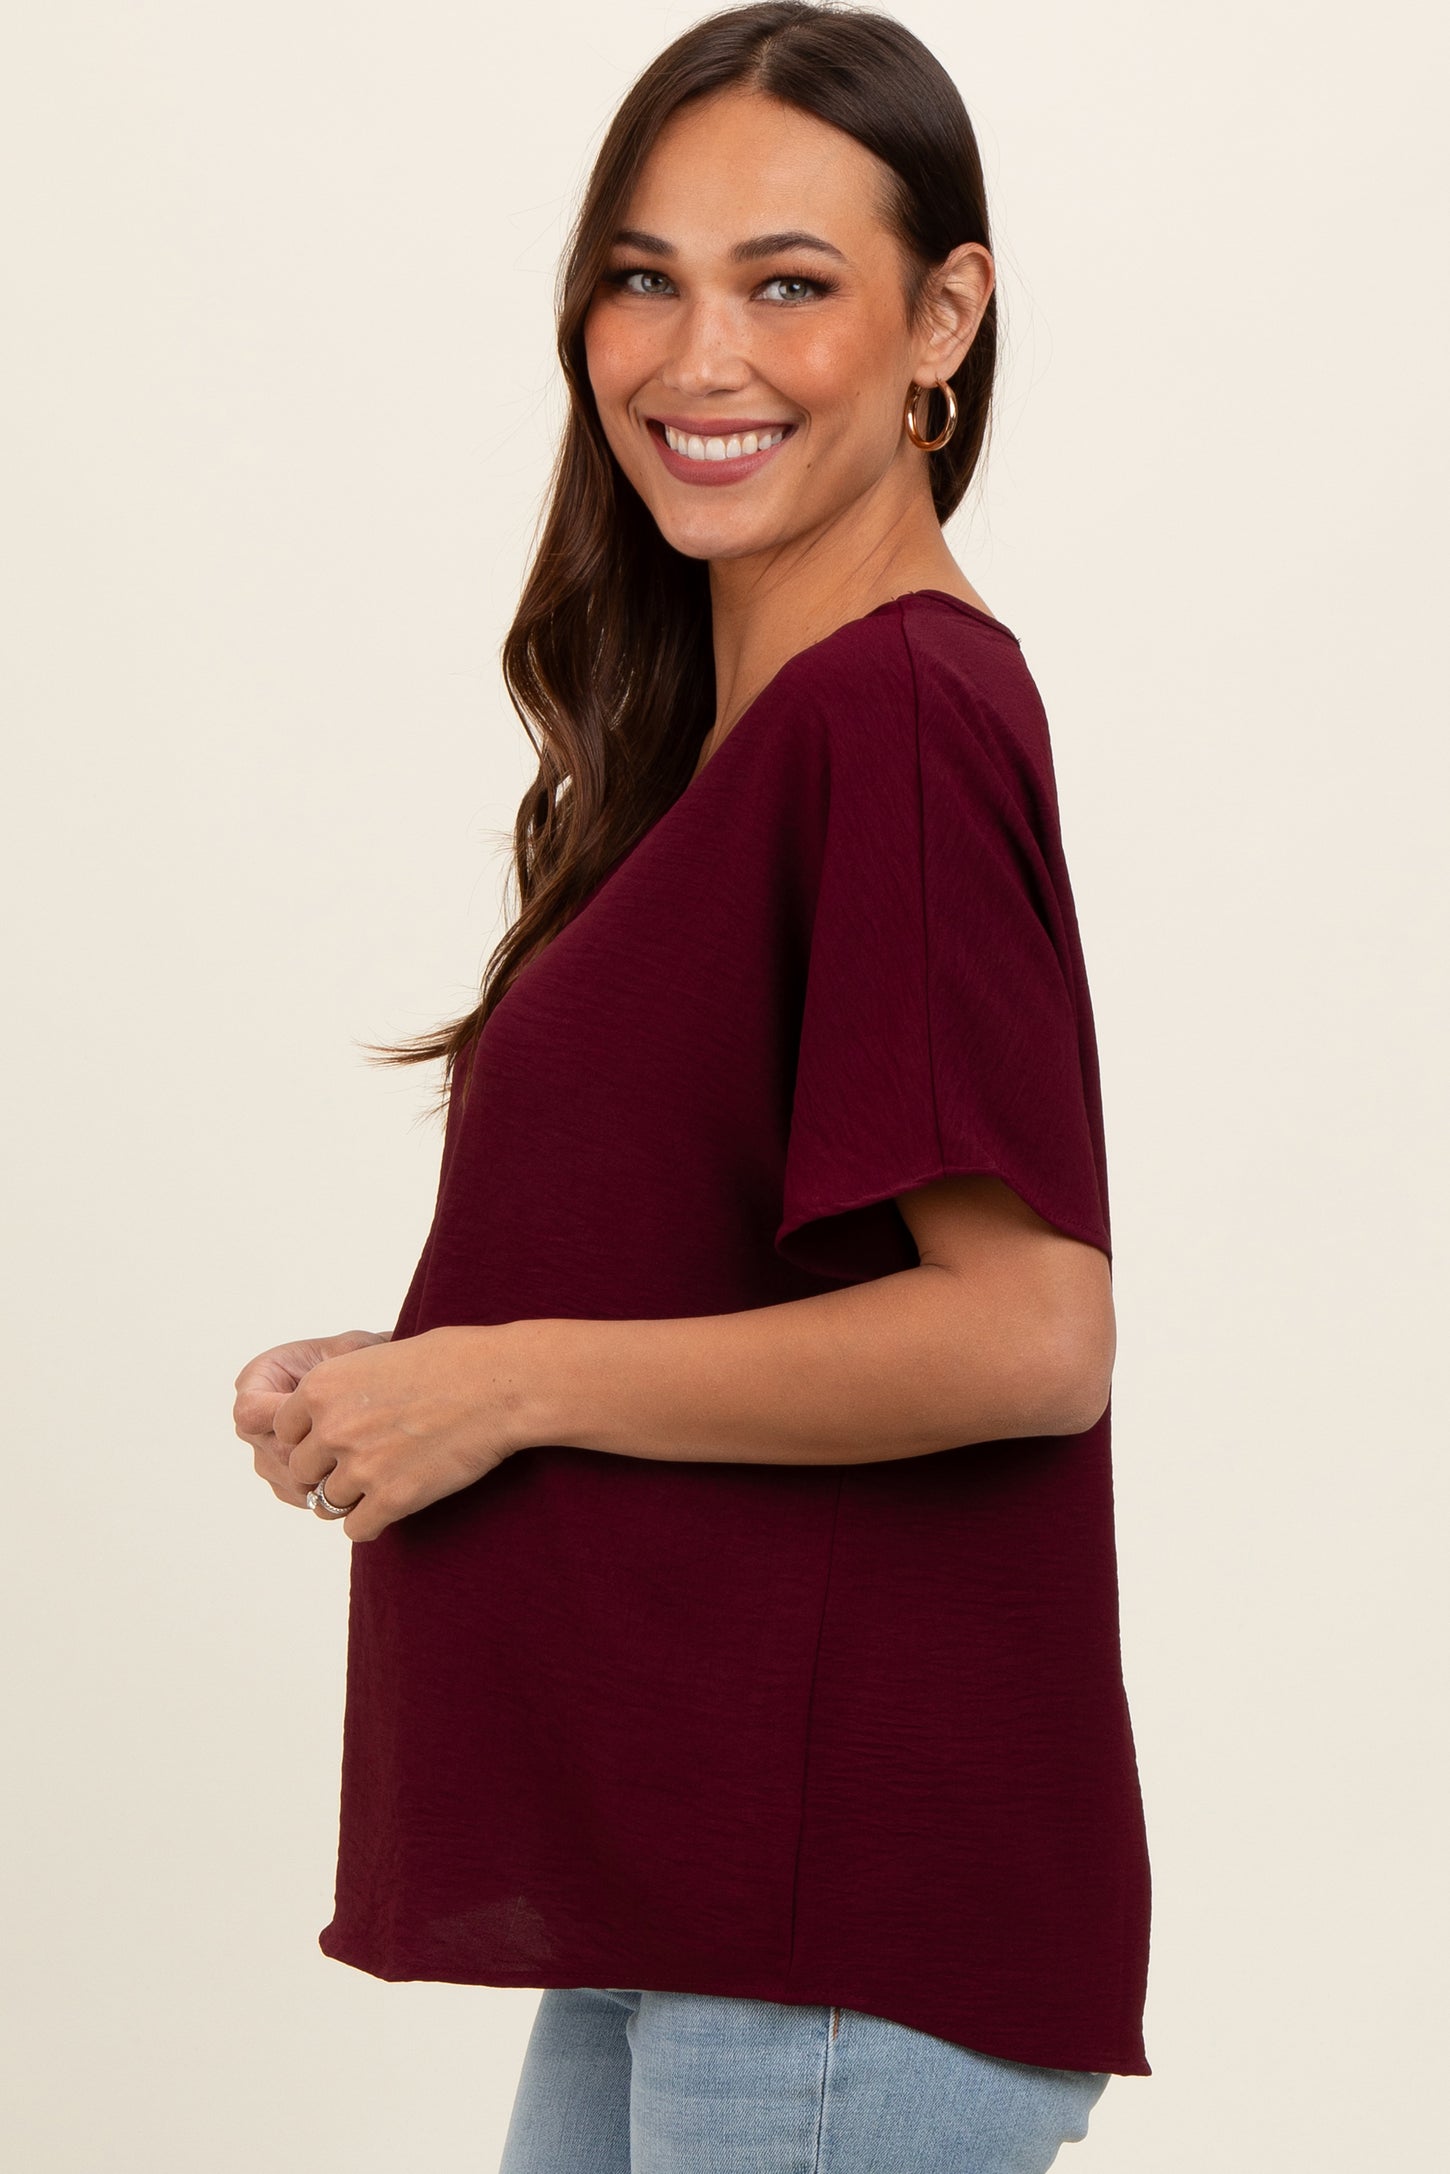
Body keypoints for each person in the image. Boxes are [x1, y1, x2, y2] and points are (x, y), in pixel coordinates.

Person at [231, 6, 1152, 2168]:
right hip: (707, 1886)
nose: (694, 355)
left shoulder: (892, 711)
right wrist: (413, 1382)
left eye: (788, 282)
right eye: (642, 278)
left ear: (943, 319)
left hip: (826, 1916)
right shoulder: (749, 739)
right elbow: (729, 1263)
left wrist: (504, 1384)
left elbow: (1029, 1330)